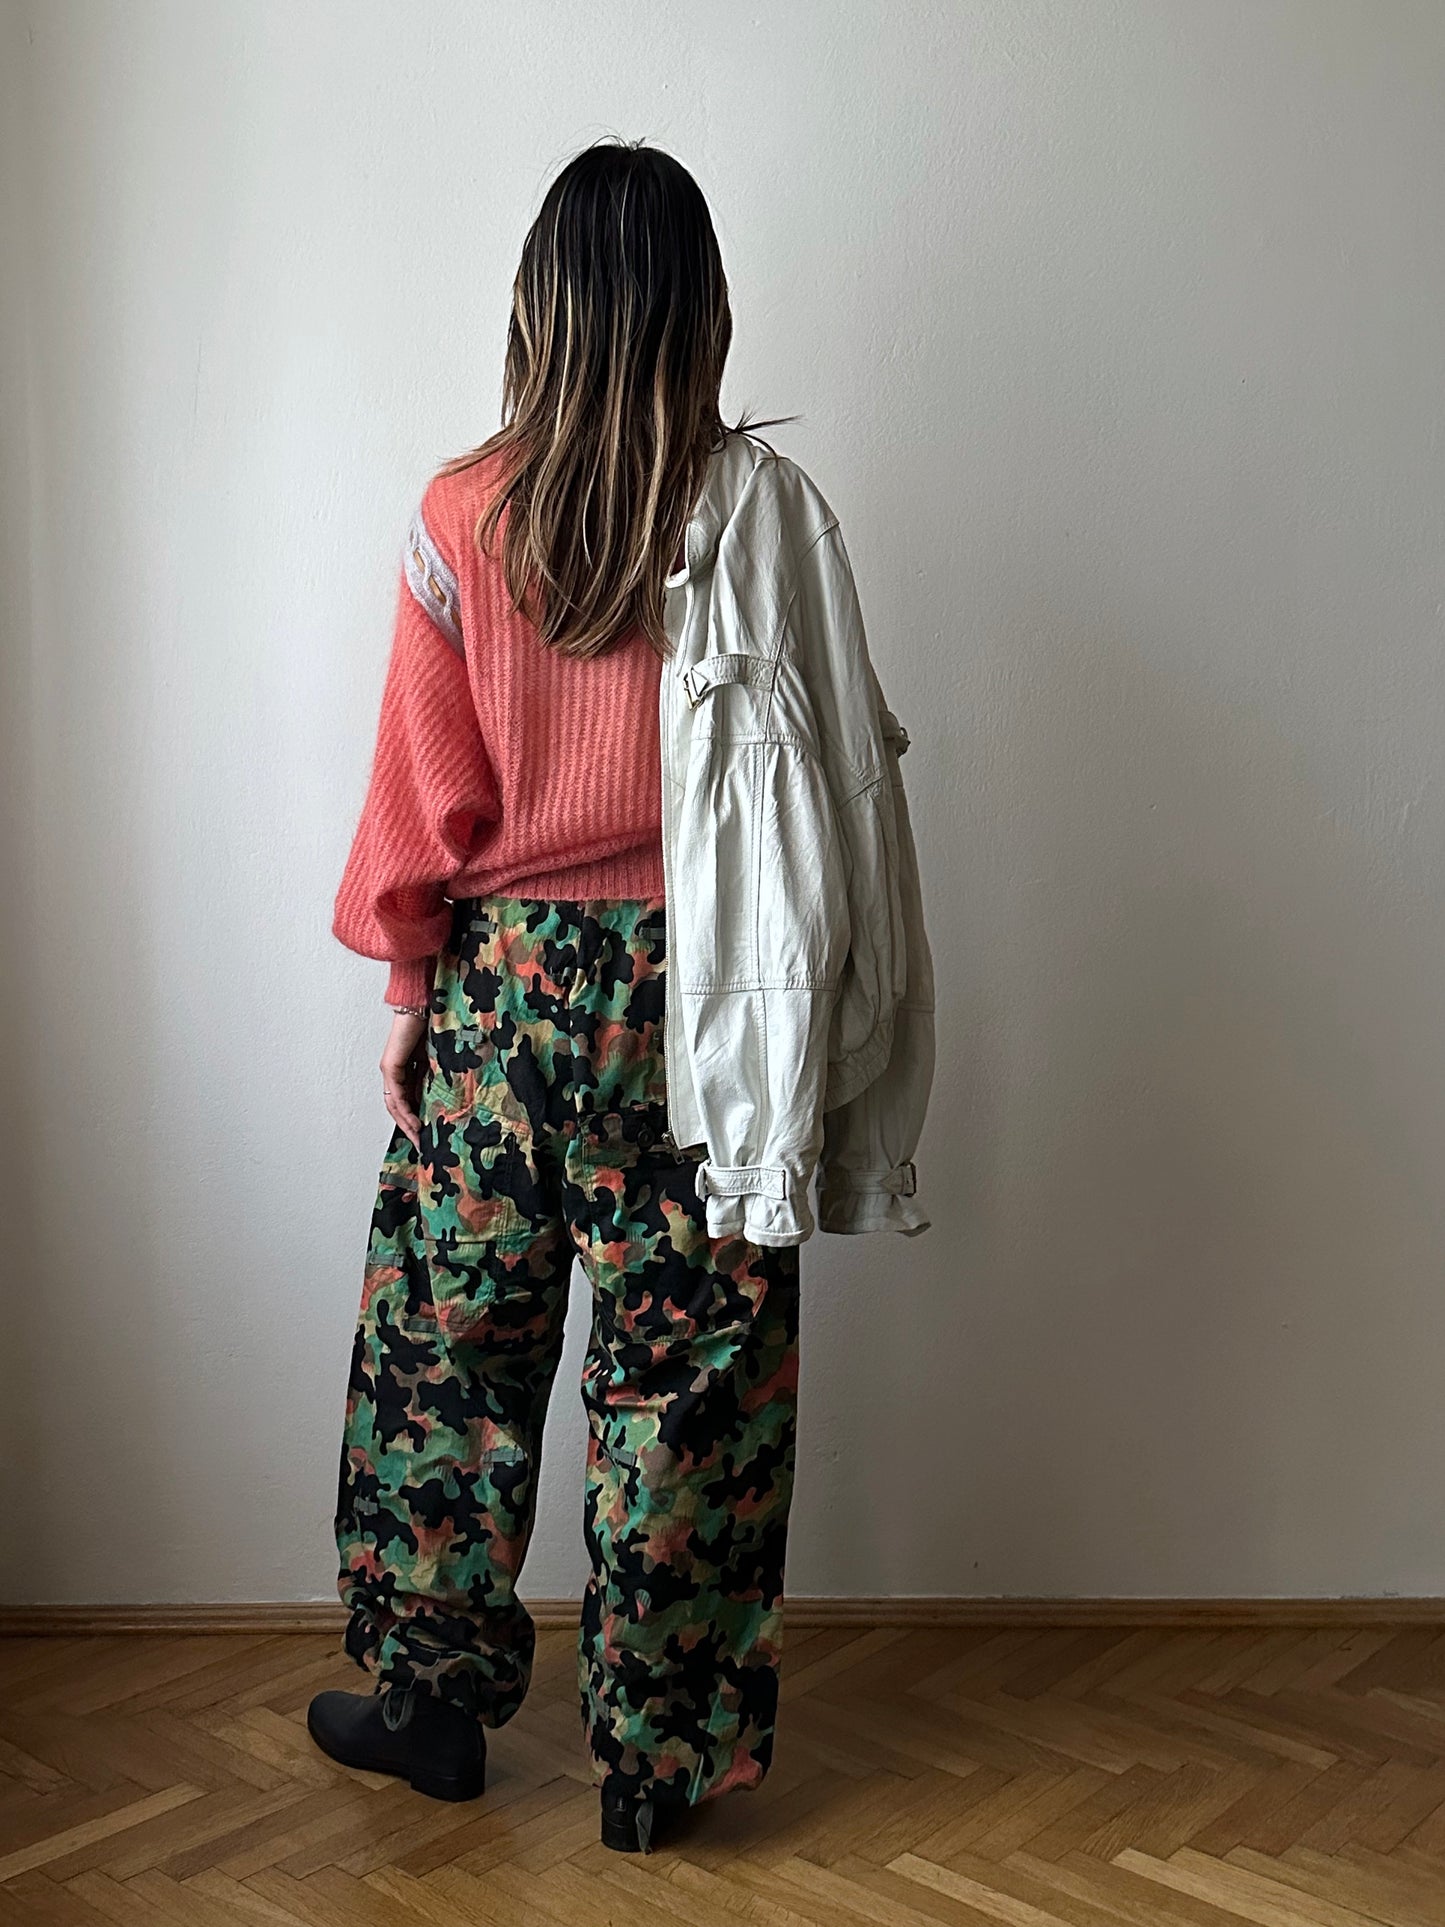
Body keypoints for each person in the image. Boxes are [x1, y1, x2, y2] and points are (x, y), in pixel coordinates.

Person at [308, 136, 933, 1856]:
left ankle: (433, 1708)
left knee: (450, 1349)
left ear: (538, 305)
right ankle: (663, 1765)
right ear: (702, 309)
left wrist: (412, 991)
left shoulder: (460, 513)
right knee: (696, 1376)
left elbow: (416, 792)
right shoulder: (768, 511)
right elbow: (834, 791)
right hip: (712, 991)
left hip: (508, 990)